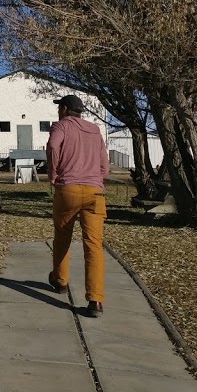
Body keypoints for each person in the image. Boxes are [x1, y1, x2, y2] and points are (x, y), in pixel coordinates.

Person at [46, 94, 110, 318]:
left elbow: (54, 146)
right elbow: (104, 163)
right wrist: (98, 177)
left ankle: (61, 281)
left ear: (64, 109)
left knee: (62, 237)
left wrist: (53, 173)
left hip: (69, 189)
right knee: (93, 245)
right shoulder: (94, 130)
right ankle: (95, 300)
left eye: (59, 107)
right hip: (95, 192)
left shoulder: (60, 126)